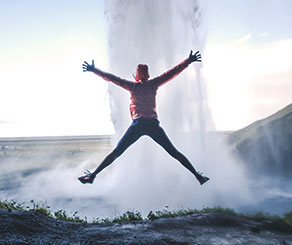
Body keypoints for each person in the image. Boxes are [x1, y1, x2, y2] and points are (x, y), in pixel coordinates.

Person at [79, 50, 209, 185]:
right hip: (153, 124)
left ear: (136, 75)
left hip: (138, 124)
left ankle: (92, 175)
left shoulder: (132, 86)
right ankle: (197, 176)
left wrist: (94, 70)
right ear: (148, 75)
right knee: (174, 152)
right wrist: (188, 61)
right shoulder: (154, 84)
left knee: (117, 152)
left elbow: (111, 78)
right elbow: (172, 73)